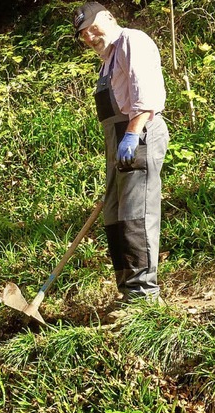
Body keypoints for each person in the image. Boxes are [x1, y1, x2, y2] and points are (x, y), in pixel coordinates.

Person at [73, 3, 169, 304]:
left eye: (92, 27)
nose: (89, 36)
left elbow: (147, 92)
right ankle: (129, 293)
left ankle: (144, 297)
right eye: (82, 34)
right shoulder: (107, 60)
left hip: (137, 134)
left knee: (136, 214)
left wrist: (131, 133)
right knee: (115, 217)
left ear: (110, 18)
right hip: (117, 141)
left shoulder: (131, 41)